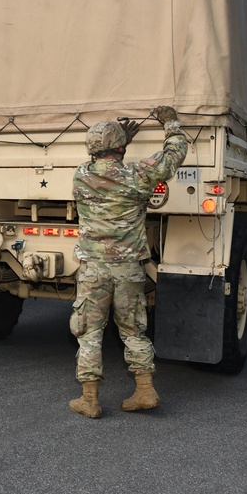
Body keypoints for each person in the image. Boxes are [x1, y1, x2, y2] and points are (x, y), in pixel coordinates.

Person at [68, 105, 188, 418]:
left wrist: (119, 142)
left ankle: (89, 400)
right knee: (133, 331)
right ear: (121, 148)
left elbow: (105, 164)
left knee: (90, 333)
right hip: (130, 269)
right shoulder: (139, 174)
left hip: (94, 269)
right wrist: (170, 122)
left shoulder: (81, 175)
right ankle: (145, 390)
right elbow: (175, 153)